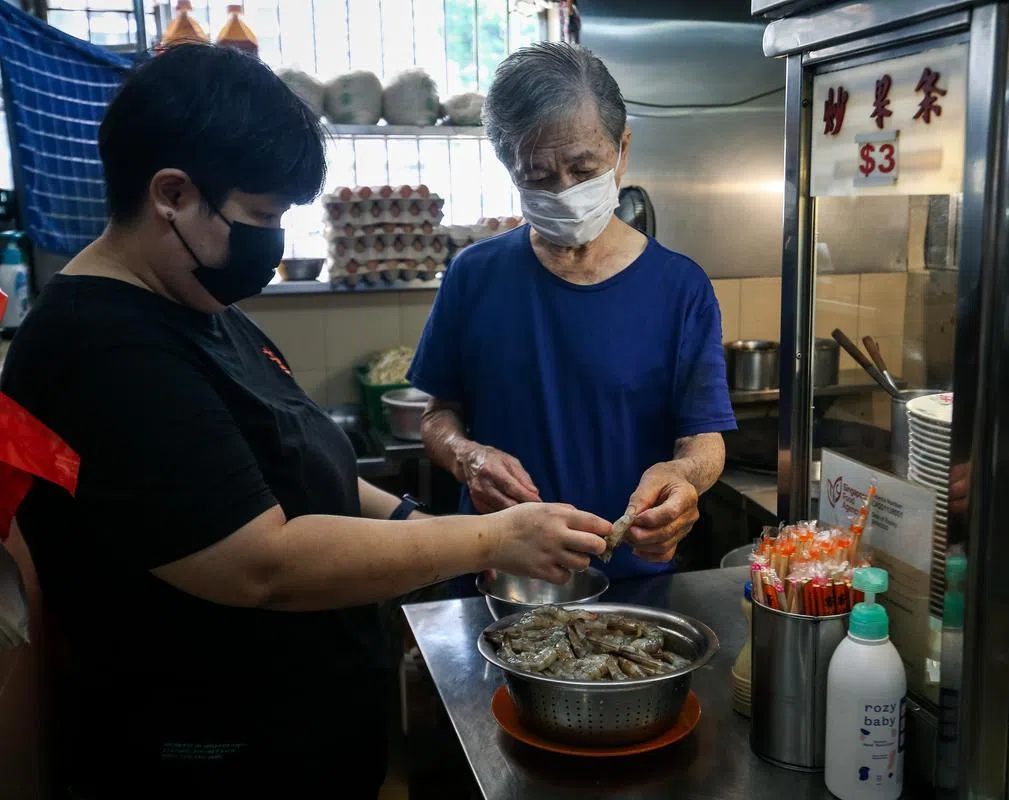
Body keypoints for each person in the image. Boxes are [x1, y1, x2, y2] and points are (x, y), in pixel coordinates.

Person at [0, 44, 609, 798]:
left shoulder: (195, 303)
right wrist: (487, 537)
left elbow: (304, 461)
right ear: (171, 195)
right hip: (206, 757)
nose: (274, 239)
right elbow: (261, 562)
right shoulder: (100, 351)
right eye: (261, 215)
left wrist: (426, 529)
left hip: (303, 734)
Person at [409, 43, 735, 585]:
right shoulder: (474, 275)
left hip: (633, 580)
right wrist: (466, 456)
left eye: (584, 169)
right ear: (509, 168)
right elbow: (437, 417)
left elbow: (704, 438)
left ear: (622, 150)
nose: (563, 192)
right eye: (537, 176)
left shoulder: (680, 288)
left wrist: (683, 476)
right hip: (499, 579)